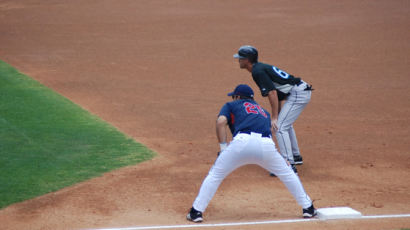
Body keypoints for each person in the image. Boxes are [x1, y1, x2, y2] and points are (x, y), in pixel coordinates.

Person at [186, 84, 317, 223]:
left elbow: (220, 122)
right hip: (266, 145)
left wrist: (223, 148)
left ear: (237, 97)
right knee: (287, 173)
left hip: (241, 143)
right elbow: (270, 132)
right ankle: (308, 208)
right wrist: (278, 157)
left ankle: (196, 212)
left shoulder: (232, 105)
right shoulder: (264, 112)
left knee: (215, 175)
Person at [233, 45, 313, 175]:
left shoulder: (257, 72)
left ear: (247, 60)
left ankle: (288, 165)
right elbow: (280, 94)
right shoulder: (260, 68)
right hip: (298, 91)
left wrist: (274, 117)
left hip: (298, 93)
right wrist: (278, 115)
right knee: (284, 124)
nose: (239, 60)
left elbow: (272, 93)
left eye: (240, 58)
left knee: (279, 127)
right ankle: (295, 156)